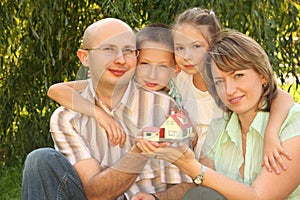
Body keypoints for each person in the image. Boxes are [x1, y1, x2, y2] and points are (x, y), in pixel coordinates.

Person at [22, 18, 192, 200]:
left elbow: (185, 184)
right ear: (84, 57)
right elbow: (95, 194)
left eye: (128, 51)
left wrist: (157, 198)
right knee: (40, 159)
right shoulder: (67, 117)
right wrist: (140, 151)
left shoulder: (166, 109)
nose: (120, 60)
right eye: (108, 49)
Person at [135, 29, 300, 199]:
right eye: (220, 81)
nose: (229, 90)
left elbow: (261, 197)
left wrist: (193, 167)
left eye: (238, 75)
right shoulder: (220, 127)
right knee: (199, 194)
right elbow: (197, 183)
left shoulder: (293, 123)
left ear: (262, 75)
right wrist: (157, 198)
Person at [171, 7, 293, 171]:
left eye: (196, 46)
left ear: (214, 46)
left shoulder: (229, 85)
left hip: (222, 164)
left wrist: (271, 134)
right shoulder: (180, 80)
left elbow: (282, 97)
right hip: (189, 163)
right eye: (180, 48)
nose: (187, 56)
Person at [47, 23, 182, 147]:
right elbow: (56, 90)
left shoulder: (170, 100)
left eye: (163, 66)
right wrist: (99, 114)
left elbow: (185, 134)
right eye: (144, 64)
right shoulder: (121, 84)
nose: (152, 75)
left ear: (175, 69)